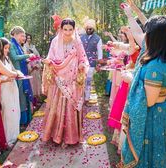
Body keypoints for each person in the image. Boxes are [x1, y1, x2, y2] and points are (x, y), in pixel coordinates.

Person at [121, 16, 166, 168]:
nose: (144, 36)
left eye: (147, 32)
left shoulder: (156, 65)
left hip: (153, 120)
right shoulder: (163, 58)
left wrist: (130, 78)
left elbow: (149, 100)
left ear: (155, 37)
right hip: (163, 115)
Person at [42, 18, 89, 147]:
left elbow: (82, 58)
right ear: (61, 29)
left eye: (70, 29)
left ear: (74, 30)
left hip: (72, 79)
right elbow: (50, 57)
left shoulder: (77, 42)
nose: (67, 32)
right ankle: (56, 136)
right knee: (57, 107)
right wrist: (48, 61)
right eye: (65, 29)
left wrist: (81, 65)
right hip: (59, 78)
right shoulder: (55, 41)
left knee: (70, 107)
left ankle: (70, 137)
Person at [9, 26, 34, 125]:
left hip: (22, 73)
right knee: (21, 97)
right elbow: (14, 58)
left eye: (24, 36)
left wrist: (26, 60)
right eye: (22, 36)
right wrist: (28, 56)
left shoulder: (18, 45)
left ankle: (26, 119)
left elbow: (19, 58)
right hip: (17, 75)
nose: (24, 38)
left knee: (24, 96)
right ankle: (21, 121)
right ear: (15, 35)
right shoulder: (11, 45)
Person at [0, 37, 22, 146]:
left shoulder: (7, 59)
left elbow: (13, 70)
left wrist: (18, 73)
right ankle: (8, 139)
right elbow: (9, 73)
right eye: (5, 48)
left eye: (8, 48)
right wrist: (15, 74)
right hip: (5, 89)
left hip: (12, 86)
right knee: (8, 112)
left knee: (15, 110)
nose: (7, 50)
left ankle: (15, 134)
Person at [80, 19, 103, 102]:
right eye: (88, 28)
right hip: (81, 62)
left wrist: (99, 64)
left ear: (94, 29)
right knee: (80, 80)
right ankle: (80, 97)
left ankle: (86, 98)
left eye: (91, 29)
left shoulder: (98, 38)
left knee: (88, 80)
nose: (89, 30)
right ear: (85, 28)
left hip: (91, 63)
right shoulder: (81, 37)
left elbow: (100, 52)